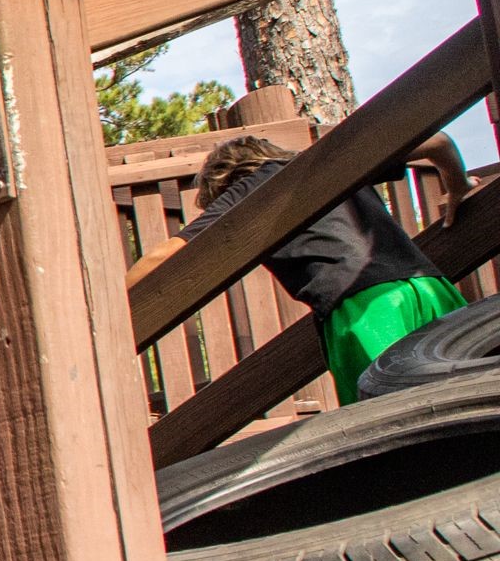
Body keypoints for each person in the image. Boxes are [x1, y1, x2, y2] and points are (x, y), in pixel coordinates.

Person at [129, 133, 465, 403]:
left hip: (365, 307)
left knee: (391, 420)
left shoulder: (250, 188)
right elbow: (438, 142)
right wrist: (457, 186)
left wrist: (106, 302)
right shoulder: (330, 164)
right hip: (431, 288)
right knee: (476, 393)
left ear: (225, 178)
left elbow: (170, 254)